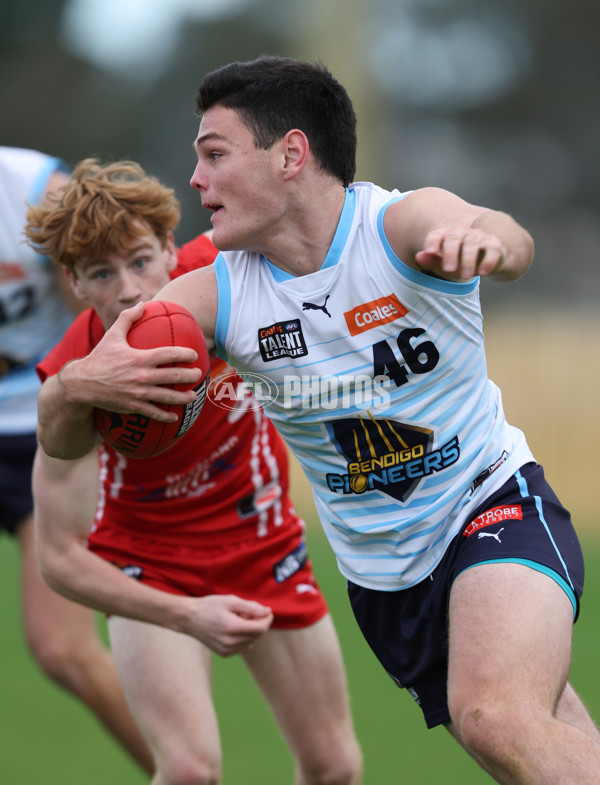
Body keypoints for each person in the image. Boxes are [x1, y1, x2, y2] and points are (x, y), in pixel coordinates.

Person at [33, 57, 600, 784]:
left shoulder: (398, 226)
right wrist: (77, 385)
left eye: (213, 155)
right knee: (531, 736)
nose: (196, 181)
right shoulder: (205, 296)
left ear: (291, 155)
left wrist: (490, 242)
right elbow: (66, 437)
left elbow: (496, 231)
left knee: (497, 714)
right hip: (385, 576)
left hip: (489, 500)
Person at [27, 158, 363, 785]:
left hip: (265, 545)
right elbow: (59, 559)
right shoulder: (77, 369)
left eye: (139, 261)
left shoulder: (222, 273)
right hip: (151, 565)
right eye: (102, 273)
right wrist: (187, 614)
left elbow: (324, 223)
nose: (129, 289)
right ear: (74, 282)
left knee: (335, 766)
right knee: (187, 770)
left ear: (169, 246)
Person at [0, 146, 153, 773]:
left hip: (37, 426)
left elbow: (101, 325)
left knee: (62, 650)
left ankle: (181, 771)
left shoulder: (34, 188)